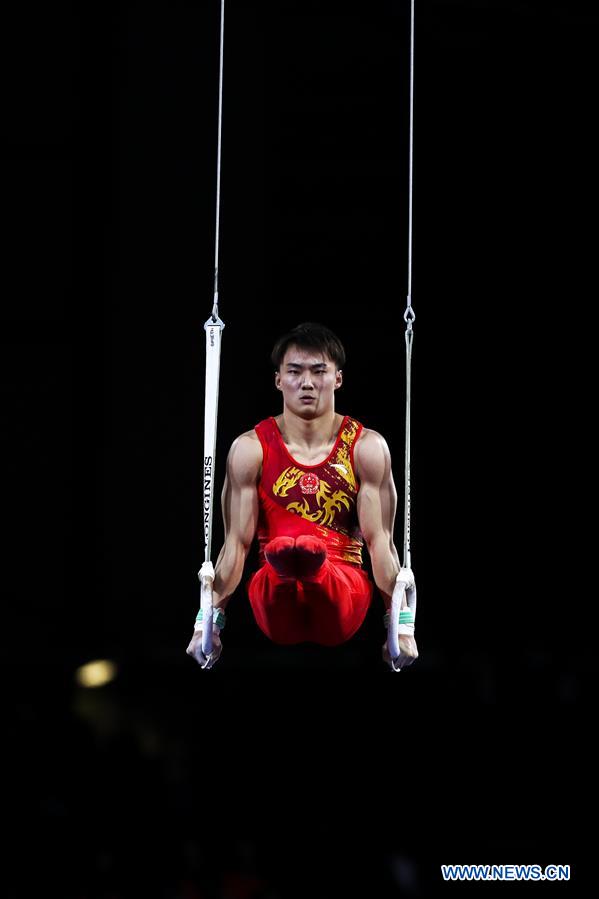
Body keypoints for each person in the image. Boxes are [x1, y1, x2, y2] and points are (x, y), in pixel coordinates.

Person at [186, 322, 418, 669]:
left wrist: (401, 626)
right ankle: (292, 567)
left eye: (318, 371)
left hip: (343, 581)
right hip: (276, 596)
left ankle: (312, 567)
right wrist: (207, 622)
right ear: (279, 379)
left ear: (338, 378)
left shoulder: (366, 447)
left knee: (325, 577)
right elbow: (235, 544)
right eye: (294, 372)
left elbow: (380, 543)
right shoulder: (251, 449)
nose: (306, 383)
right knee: (270, 579)